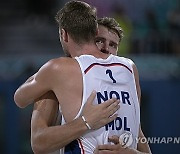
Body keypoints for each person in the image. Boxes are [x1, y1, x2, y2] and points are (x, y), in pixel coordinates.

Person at [14, 1, 151, 153]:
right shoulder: (130, 68)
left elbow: (19, 98)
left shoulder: (58, 68)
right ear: (95, 33)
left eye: (113, 45)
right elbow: (138, 133)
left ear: (64, 34)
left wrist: (85, 122)